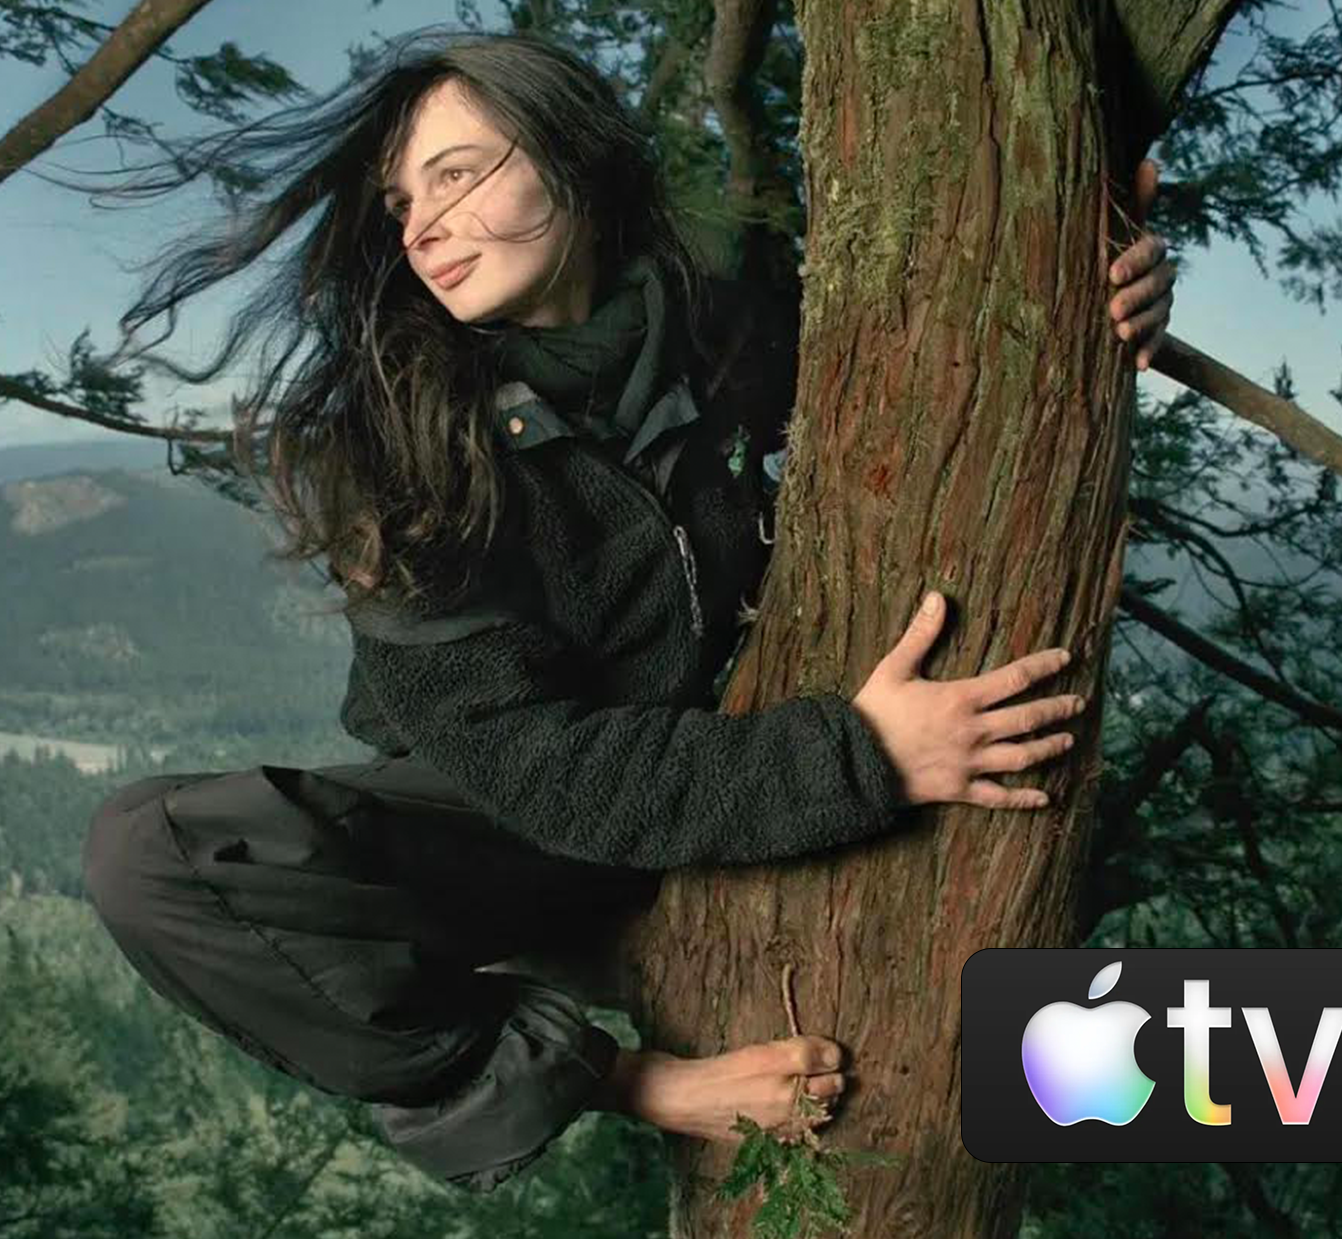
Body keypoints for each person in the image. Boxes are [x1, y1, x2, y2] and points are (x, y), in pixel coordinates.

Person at [81, 30, 1177, 1193]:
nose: (422, 226)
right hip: (521, 830)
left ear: (569, 152)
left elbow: (954, 341)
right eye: (403, 201)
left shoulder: (738, 313)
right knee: (147, 857)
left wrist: (1096, 289)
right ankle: (628, 1080)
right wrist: (860, 760)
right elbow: (540, 771)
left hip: (713, 761)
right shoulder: (397, 449)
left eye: (455, 174)